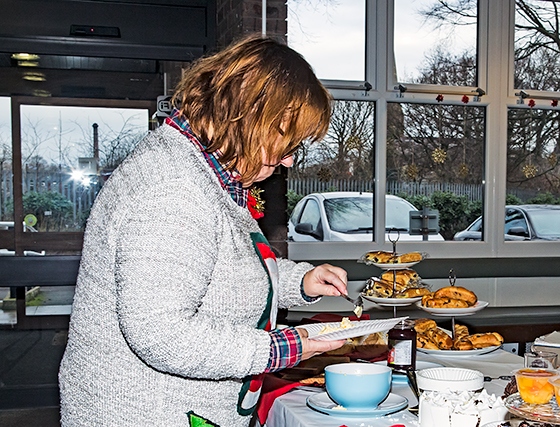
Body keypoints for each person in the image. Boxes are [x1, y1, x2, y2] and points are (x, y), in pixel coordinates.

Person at [59, 33, 348, 427]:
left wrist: (302, 281)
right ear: (249, 117)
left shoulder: (206, 175)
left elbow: (225, 275)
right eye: (286, 141)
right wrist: (286, 347)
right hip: (145, 414)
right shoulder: (173, 187)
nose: (290, 160)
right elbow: (161, 332)